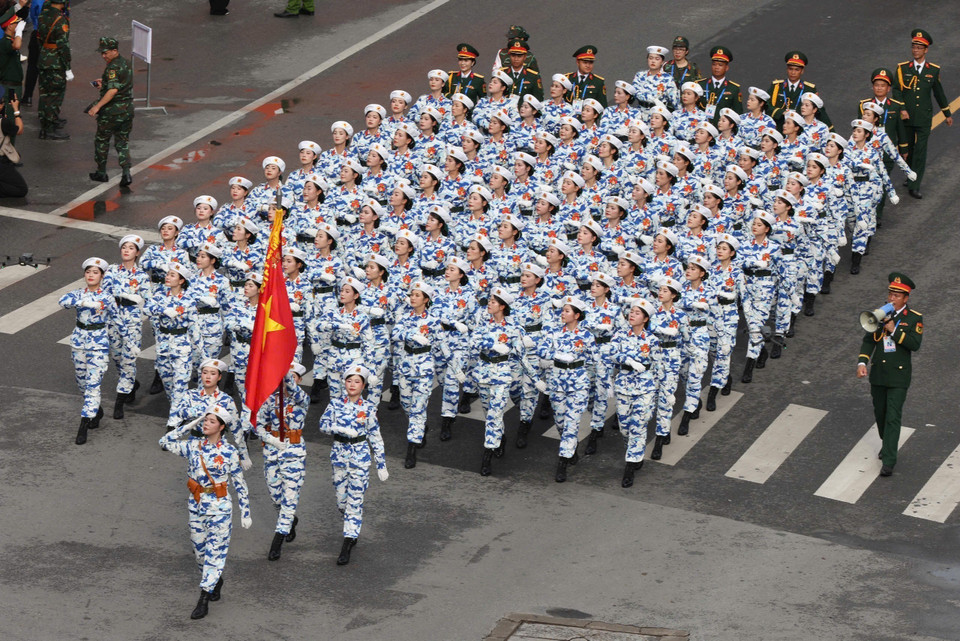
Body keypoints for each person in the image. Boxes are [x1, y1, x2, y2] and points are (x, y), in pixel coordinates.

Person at [159, 405, 251, 620]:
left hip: (219, 507)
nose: (205, 423)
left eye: (210, 421)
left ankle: (203, 597)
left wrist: (245, 511)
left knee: (214, 553)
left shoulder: (229, 452)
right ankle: (215, 579)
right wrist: (188, 425)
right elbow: (164, 442)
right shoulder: (193, 445)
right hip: (196, 503)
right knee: (199, 551)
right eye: (204, 419)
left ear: (221, 426)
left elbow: (239, 483)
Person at [317, 362, 388, 565]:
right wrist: (338, 428)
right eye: (349, 381)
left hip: (360, 458)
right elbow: (322, 425)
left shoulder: (368, 408)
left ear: (363, 386)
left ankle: (348, 540)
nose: (352, 384)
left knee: (354, 502)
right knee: (342, 502)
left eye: (357, 382)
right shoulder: (335, 404)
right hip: (339, 457)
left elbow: (375, 436)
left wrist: (381, 463)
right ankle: (351, 525)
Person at [857, 273, 923, 476]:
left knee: (893, 416)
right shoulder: (880, 314)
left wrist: (894, 330)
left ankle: (889, 460)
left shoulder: (914, 318)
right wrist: (862, 361)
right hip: (879, 373)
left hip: (898, 377)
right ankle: (888, 446)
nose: (892, 298)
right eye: (890, 294)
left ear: (906, 298)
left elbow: (915, 344)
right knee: (881, 413)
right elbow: (869, 340)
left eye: (897, 295)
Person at [254, 362, 309, 561]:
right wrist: (268, 438)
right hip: (272, 451)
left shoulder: (302, 399)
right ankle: (290, 521)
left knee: (289, 499)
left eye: (294, 377)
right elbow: (257, 424)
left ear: (300, 380)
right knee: (275, 497)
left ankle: (277, 540)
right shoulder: (271, 399)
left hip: (293, 452)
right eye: (287, 377)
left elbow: (293, 389)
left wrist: (283, 368)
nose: (289, 381)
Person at [58, 257, 116, 445]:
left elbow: (113, 313)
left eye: (95, 272)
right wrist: (83, 301)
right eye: (88, 272)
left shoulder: (106, 296)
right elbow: (63, 301)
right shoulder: (78, 293)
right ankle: (96, 411)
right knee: (81, 381)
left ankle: (83, 425)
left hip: (98, 343)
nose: (91, 275)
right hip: (79, 341)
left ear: (102, 276)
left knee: (92, 385)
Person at [896, 29, 953, 199]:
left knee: (921, 149)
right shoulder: (902, 68)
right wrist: (902, 108)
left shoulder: (933, 70)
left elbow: (939, 93)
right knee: (907, 147)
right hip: (907, 117)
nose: (916, 50)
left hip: (923, 118)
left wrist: (946, 113)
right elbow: (897, 91)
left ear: (926, 50)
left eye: (920, 48)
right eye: (914, 47)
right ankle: (909, 173)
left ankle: (915, 185)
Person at [103, 234, 151, 419]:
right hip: (113, 318)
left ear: (137, 253)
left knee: (128, 360)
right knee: (117, 357)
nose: (126, 250)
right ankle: (132, 384)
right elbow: (105, 292)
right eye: (124, 247)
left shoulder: (141, 276)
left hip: (131, 321)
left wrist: (137, 312)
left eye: (131, 248)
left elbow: (146, 301)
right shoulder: (112, 270)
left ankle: (119, 401)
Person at [859, 68, 907, 223]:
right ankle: (867, 210)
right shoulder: (864, 105)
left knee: (881, 182)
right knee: (867, 182)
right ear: (873, 87)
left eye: (883, 85)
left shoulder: (895, 106)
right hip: (868, 152)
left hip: (886, 153)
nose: (879, 88)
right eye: (876, 85)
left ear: (888, 88)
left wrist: (904, 148)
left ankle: (877, 214)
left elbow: (900, 129)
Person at [87, 37, 133, 185]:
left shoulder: (112, 68)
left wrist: (97, 106)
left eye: (106, 53)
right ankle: (126, 173)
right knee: (122, 142)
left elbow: (113, 90)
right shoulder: (125, 62)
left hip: (112, 112)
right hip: (127, 110)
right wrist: (104, 83)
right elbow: (121, 83)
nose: (103, 56)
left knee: (102, 140)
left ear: (115, 51)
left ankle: (101, 172)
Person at [767, 51, 832, 130]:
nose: (793, 72)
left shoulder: (809, 89)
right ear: (787, 69)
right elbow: (766, 106)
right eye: (790, 69)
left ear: (802, 71)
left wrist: (831, 132)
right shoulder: (776, 87)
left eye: (797, 70)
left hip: (799, 130)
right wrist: (781, 112)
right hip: (779, 128)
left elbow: (820, 111)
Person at [37, 0, 69, 140]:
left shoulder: (43, 15)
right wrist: (67, 66)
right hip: (56, 63)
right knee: (55, 96)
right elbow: (63, 46)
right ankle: (49, 129)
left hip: (44, 58)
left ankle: (46, 123)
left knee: (45, 94)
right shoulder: (61, 20)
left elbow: (39, 37)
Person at [0, 13, 25, 145]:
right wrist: (19, 32)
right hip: (9, 87)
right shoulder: (5, 43)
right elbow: (17, 46)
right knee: (10, 118)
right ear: (9, 26)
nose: (18, 26)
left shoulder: (8, 41)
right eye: (16, 24)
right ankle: (7, 153)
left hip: (13, 85)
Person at [564, 45, 606, 109]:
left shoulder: (598, 82)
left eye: (591, 63)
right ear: (577, 62)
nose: (588, 65)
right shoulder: (567, 79)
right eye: (585, 62)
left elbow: (602, 105)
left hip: (588, 118)